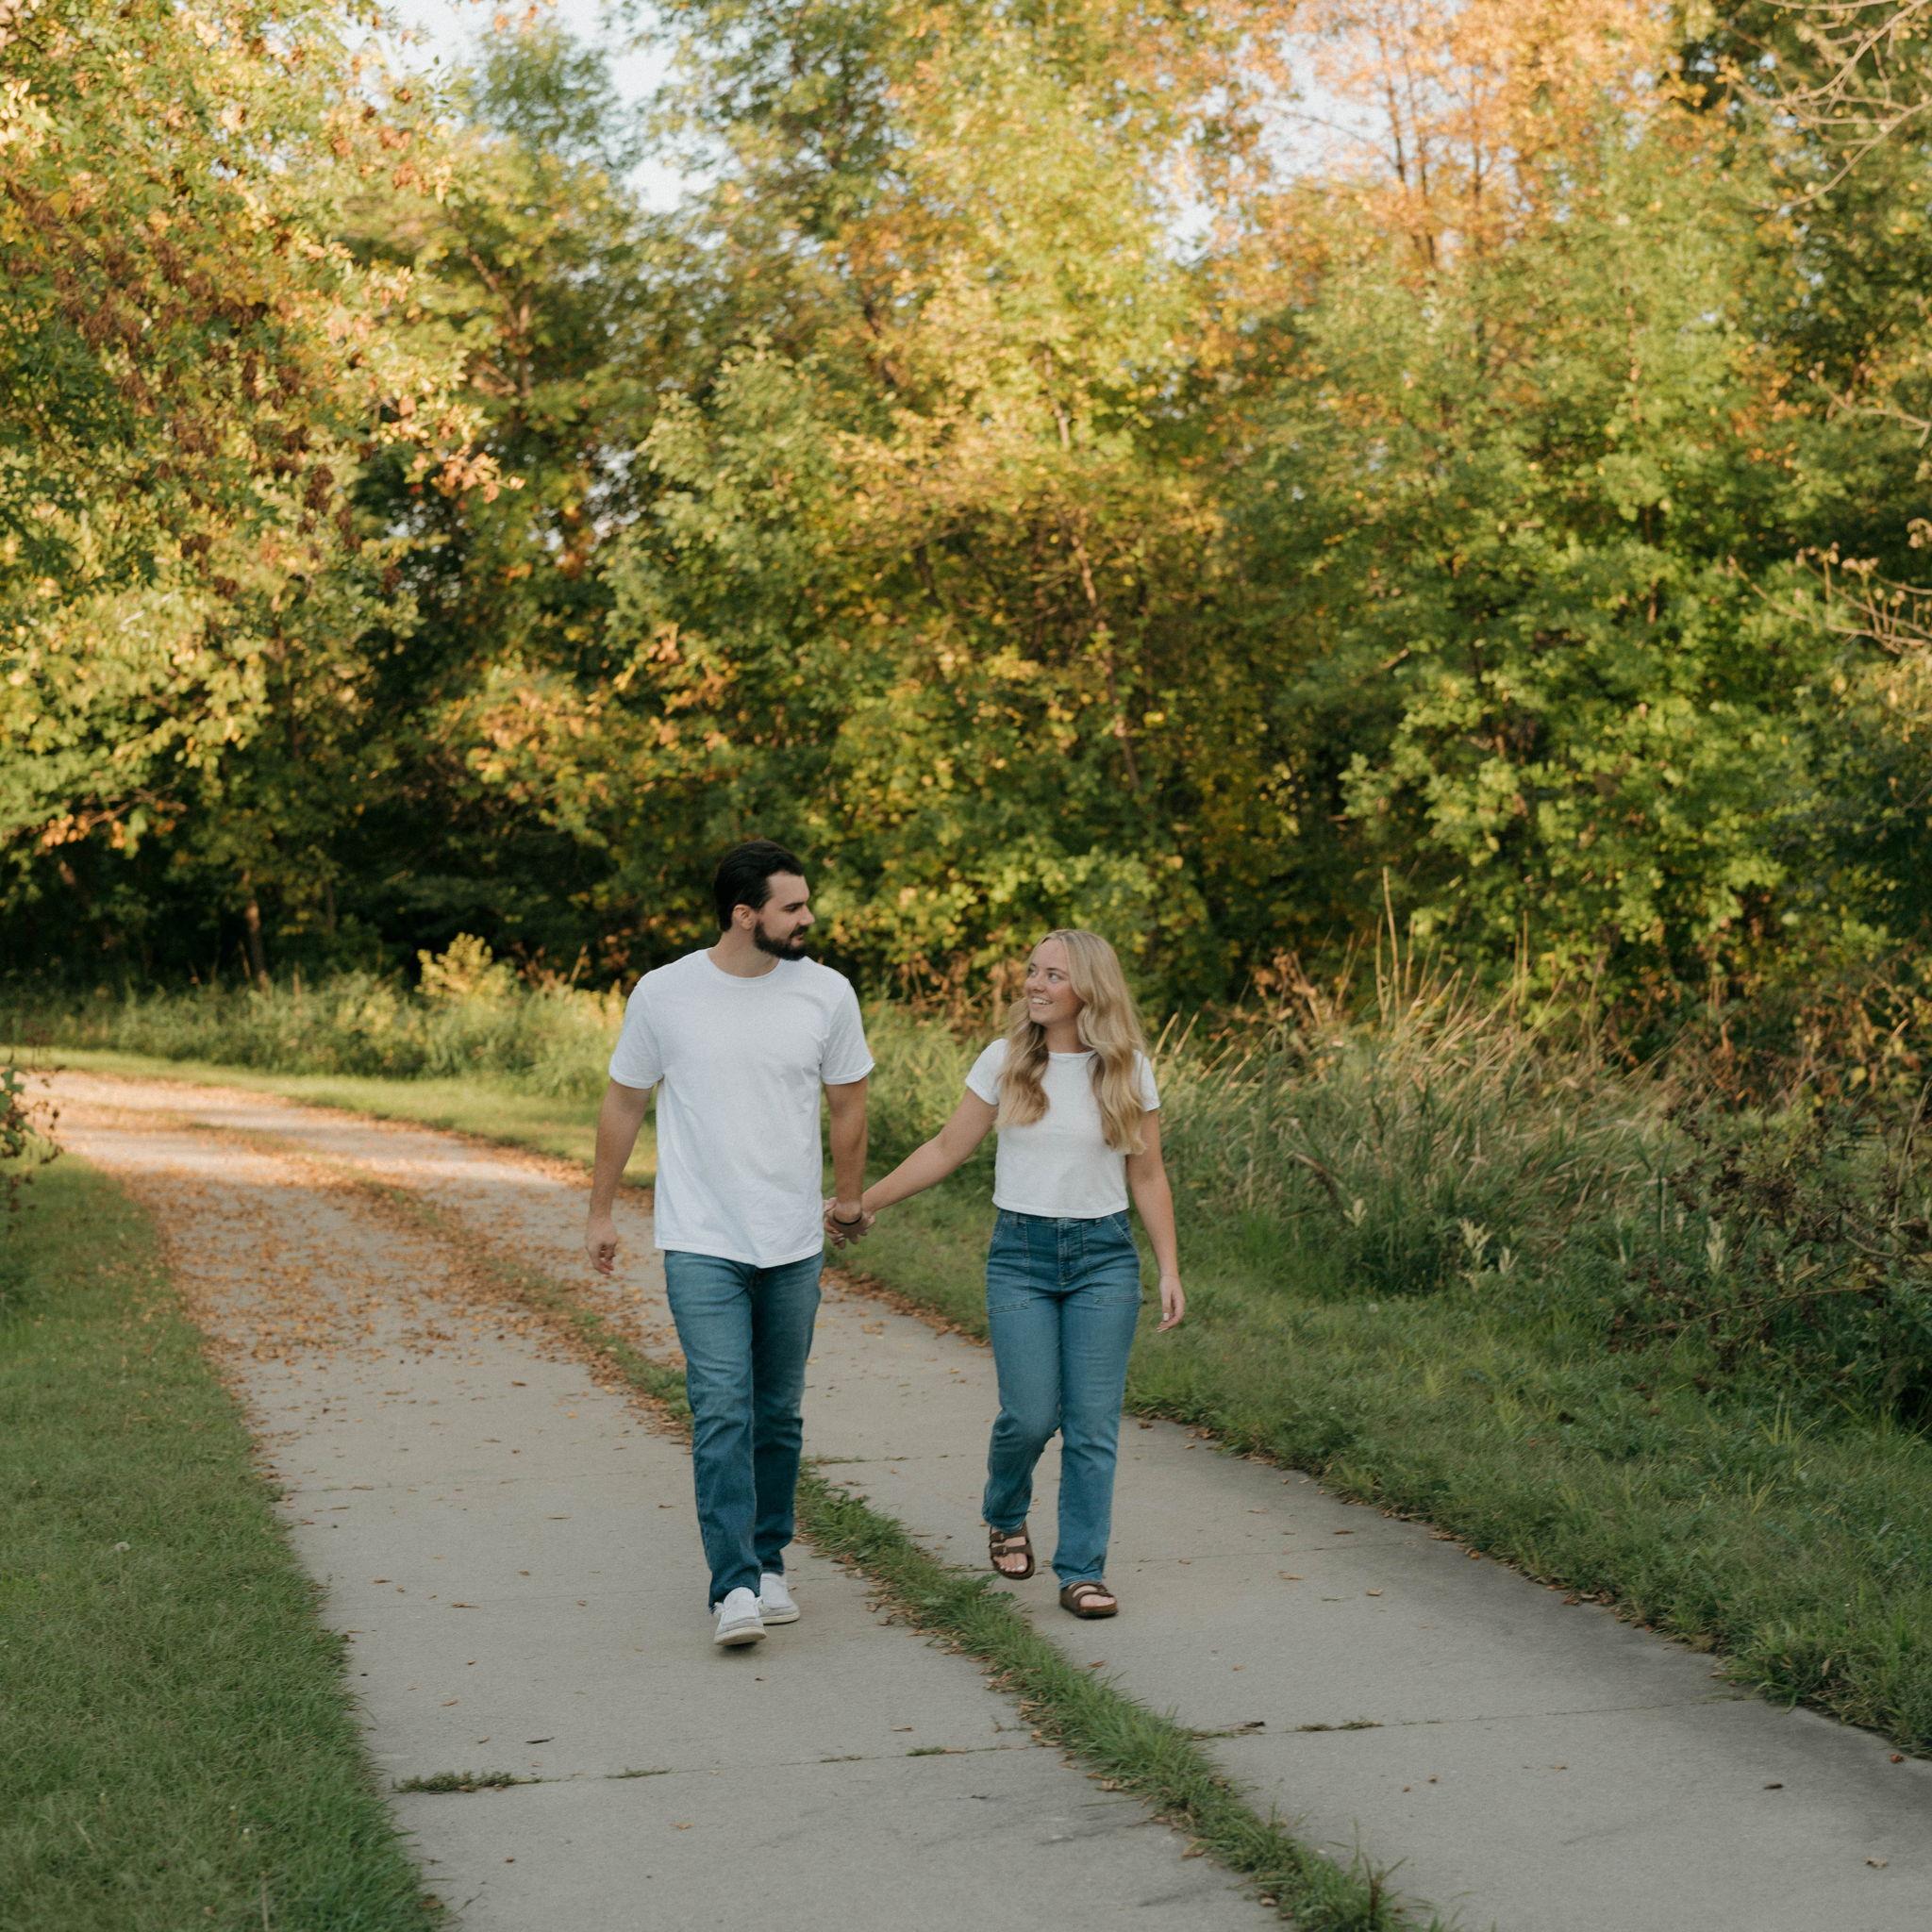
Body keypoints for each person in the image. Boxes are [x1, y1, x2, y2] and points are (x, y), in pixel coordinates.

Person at [840, 928, 1183, 1619]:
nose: (1033, 984)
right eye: (1032, 970)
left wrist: (1169, 1267)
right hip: (1021, 1257)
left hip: (1105, 1259)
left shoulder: (1128, 1069)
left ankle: (1082, 1571)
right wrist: (861, 1203)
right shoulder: (1004, 1061)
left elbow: (1147, 1175)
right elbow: (946, 1147)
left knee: (1092, 1425)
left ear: (1090, 988)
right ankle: (1004, 1511)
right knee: (1029, 1416)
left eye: (1053, 974)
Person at [586, 841, 874, 1648]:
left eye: (807, 902)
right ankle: (734, 1585)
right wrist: (600, 1212)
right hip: (701, 1238)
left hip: (792, 1241)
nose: (808, 917)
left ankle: (770, 1561)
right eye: (793, 906)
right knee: (721, 1409)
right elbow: (624, 1102)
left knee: (776, 1414)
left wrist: (851, 1198)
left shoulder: (827, 993)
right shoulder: (665, 992)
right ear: (745, 914)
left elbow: (849, 1103)